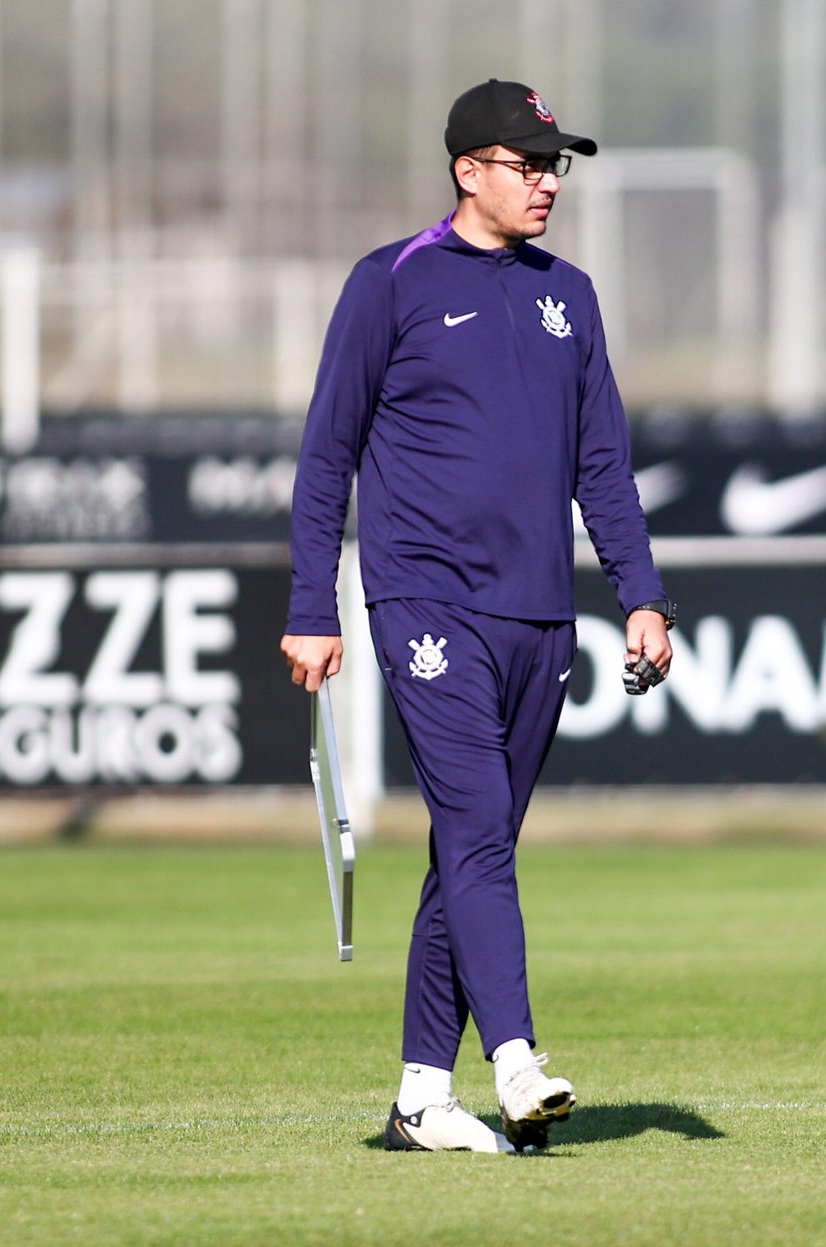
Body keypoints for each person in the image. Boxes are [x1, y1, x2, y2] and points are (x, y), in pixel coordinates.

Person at [279, 79, 675, 1154]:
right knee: (477, 832)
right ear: (468, 169)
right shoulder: (391, 281)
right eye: (527, 162)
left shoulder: (569, 296)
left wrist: (642, 594)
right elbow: (326, 453)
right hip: (425, 600)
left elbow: (604, 464)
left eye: (555, 164)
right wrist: (312, 603)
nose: (548, 181)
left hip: (540, 614)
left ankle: (421, 1097)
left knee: (473, 844)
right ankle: (515, 1058)